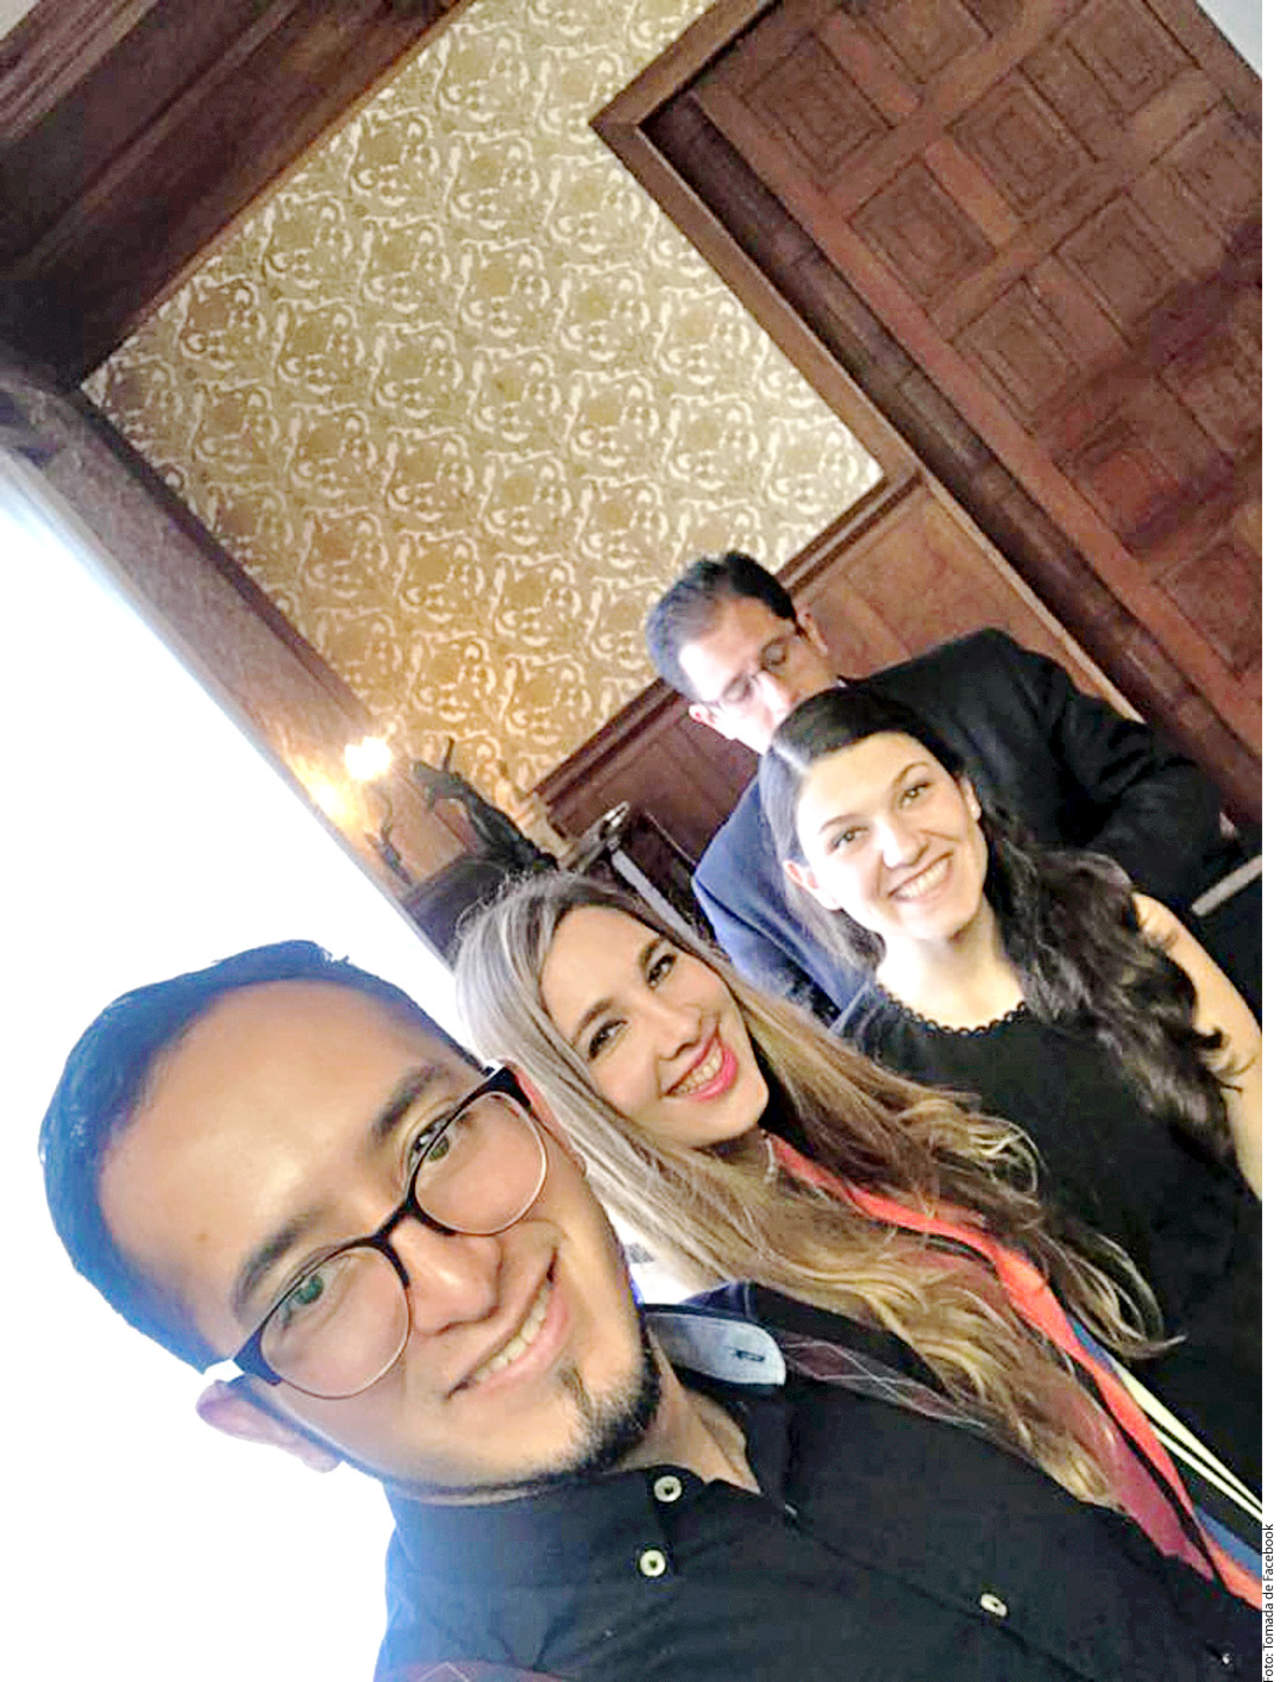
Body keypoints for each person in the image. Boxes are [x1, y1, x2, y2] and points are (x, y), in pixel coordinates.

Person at [40, 942, 1259, 1682]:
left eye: (435, 1139)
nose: (462, 1282)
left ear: (540, 1115)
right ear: (267, 1421)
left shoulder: (810, 1336)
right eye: (308, 1287)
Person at [759, 686, 1261, 1497]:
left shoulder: (1121, 922)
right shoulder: (862, 1092)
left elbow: (1258, 1104)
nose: (902, 845)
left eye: (915, 792)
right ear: (812, 882)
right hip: (1173, 1454)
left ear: (965, 791)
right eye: (849, 836)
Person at [644, 552, 1260, 1019]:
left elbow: (1170, 789)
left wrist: (1072, 926)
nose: (778, 698)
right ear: (712, 721)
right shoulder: (733, 885)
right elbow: (838, 1058)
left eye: (778, 657)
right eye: (738, 692)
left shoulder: (986, 675)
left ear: (809, 629)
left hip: (1173, 978)